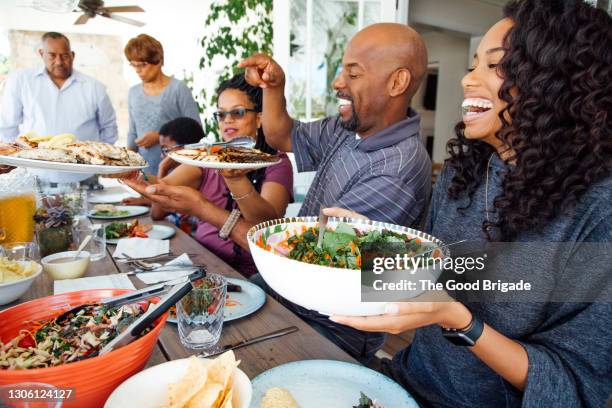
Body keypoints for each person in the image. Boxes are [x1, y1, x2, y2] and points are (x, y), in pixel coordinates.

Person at [325, 1, 612, 406]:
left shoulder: (599, 210)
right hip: (408, 383)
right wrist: (373, 244)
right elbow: (431, 283)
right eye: (474, 64)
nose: (467, 80)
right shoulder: (467, 172)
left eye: (495, 66)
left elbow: (574, 390)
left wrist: (458, 320)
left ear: (558, 81)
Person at [125, 73, 293, 277]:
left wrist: (234, 179)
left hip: (251, 275)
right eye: (221, 114)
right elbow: (161, 195)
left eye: (237, 113)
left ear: (259, 119)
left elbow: (264, 226)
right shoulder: (208, 156)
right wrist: (130, 170)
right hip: (203, 261)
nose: (227, 120)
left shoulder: (275, 161)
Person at [0, 31, 118, 183]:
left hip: (84, 176)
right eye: (52, 55)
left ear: (73, 55)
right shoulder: (21, 81)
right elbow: (8, 126)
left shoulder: (94, 87)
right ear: (41, 53)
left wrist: (99, 160)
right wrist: (12, 159)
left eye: (65, 55)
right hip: (35, 175)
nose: (59, 61)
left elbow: (109, 129)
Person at [124, 34, 201, 174]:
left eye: (142, 64)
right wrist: (126, 164)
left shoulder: (178, 89)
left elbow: (196, 130)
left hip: (177, 171)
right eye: (133, 65)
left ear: (158, 60)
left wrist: (159, 136)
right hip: (144, 172)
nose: (137, 70)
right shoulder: (133, 93)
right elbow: (132, 133)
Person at [122, 116, 205, 207]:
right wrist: (146, 201)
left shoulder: (192, 168)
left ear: (185, 148)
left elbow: (157, 213)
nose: (162, 155)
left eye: (166, 149)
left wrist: (163, 168)